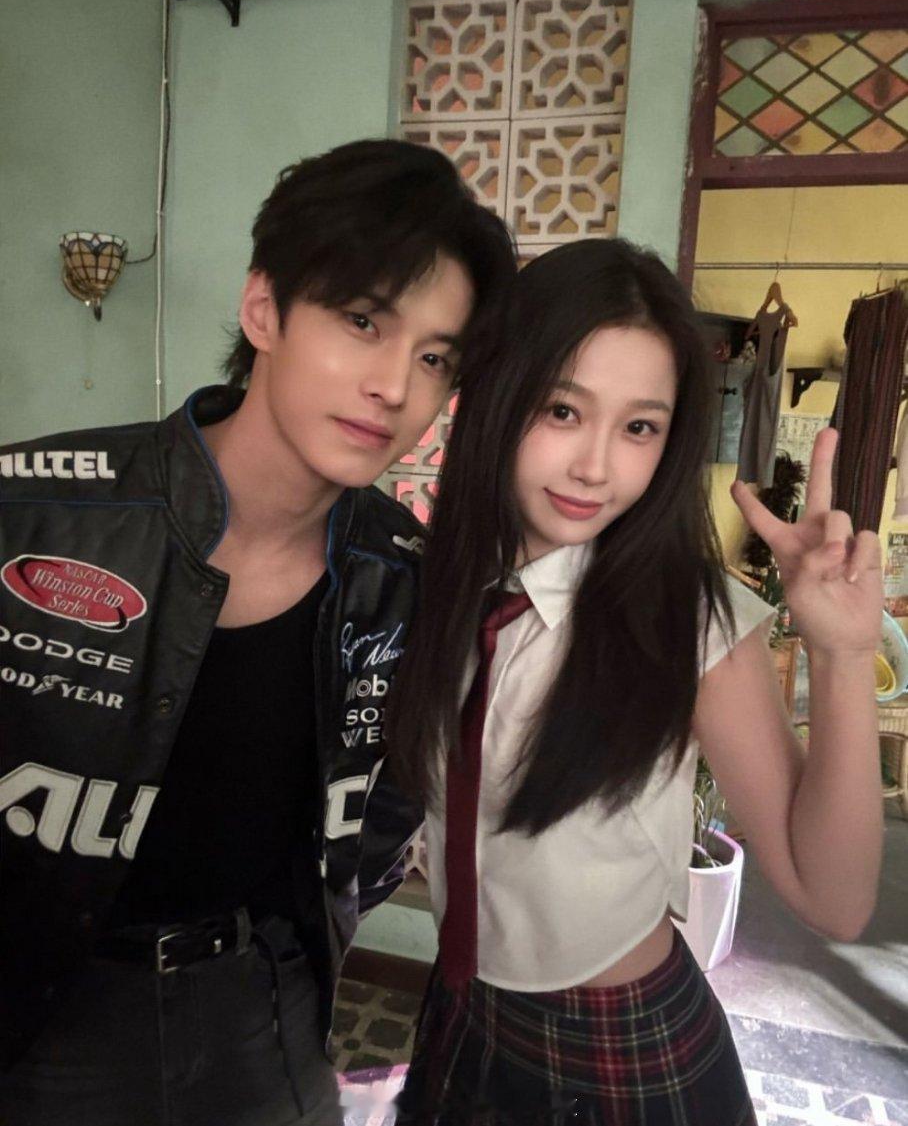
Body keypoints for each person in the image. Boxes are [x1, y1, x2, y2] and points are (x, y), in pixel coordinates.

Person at [0, 138, 516, 1125]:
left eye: (433, 357)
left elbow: (386, 811)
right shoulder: (36, 517)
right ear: (264, 309)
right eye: (362, 321)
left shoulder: (401, 577)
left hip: (262, 1006)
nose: (394, 385)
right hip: (40, 1009)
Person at [388, 238, 883, 1125]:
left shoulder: (685, 622)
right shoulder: (445, 588)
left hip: (621, 1045)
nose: (595, 465)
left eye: (639, 427)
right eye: (562, 410)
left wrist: (842, 655)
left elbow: (833, 899)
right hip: (462, 1015)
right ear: (498, 396)